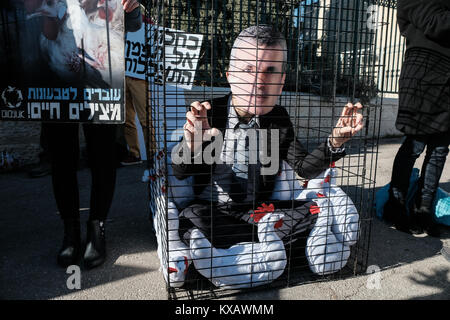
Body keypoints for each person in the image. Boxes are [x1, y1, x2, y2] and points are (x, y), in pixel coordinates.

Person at [171, 25, 364, 252]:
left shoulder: (278, 118)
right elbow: (180, 172)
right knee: (190, 218)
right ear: (230, 76)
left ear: (281, 83)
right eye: (248, 70)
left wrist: (335, 142)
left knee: (315, 210)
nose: (259, 82)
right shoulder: (209, 113)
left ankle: (243, 249)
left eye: (270, 71)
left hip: (260, 212)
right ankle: (268, 246)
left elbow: (303, 168)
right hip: (213, 210)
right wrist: (192, 146)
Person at [37, 0, 142, 269]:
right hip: (60, 78)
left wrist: (132, 7)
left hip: (102, 76)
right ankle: (70, 231)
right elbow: (47, 33)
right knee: (62, 157)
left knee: (103, 155)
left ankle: (97, 229)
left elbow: (132, 26)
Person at [383, 0, 450, 237]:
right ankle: (396, 205)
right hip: (423, 78)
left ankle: (423, 209)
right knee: (414, 145)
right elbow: (437, 24)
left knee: (440, 149)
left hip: (445, 78)